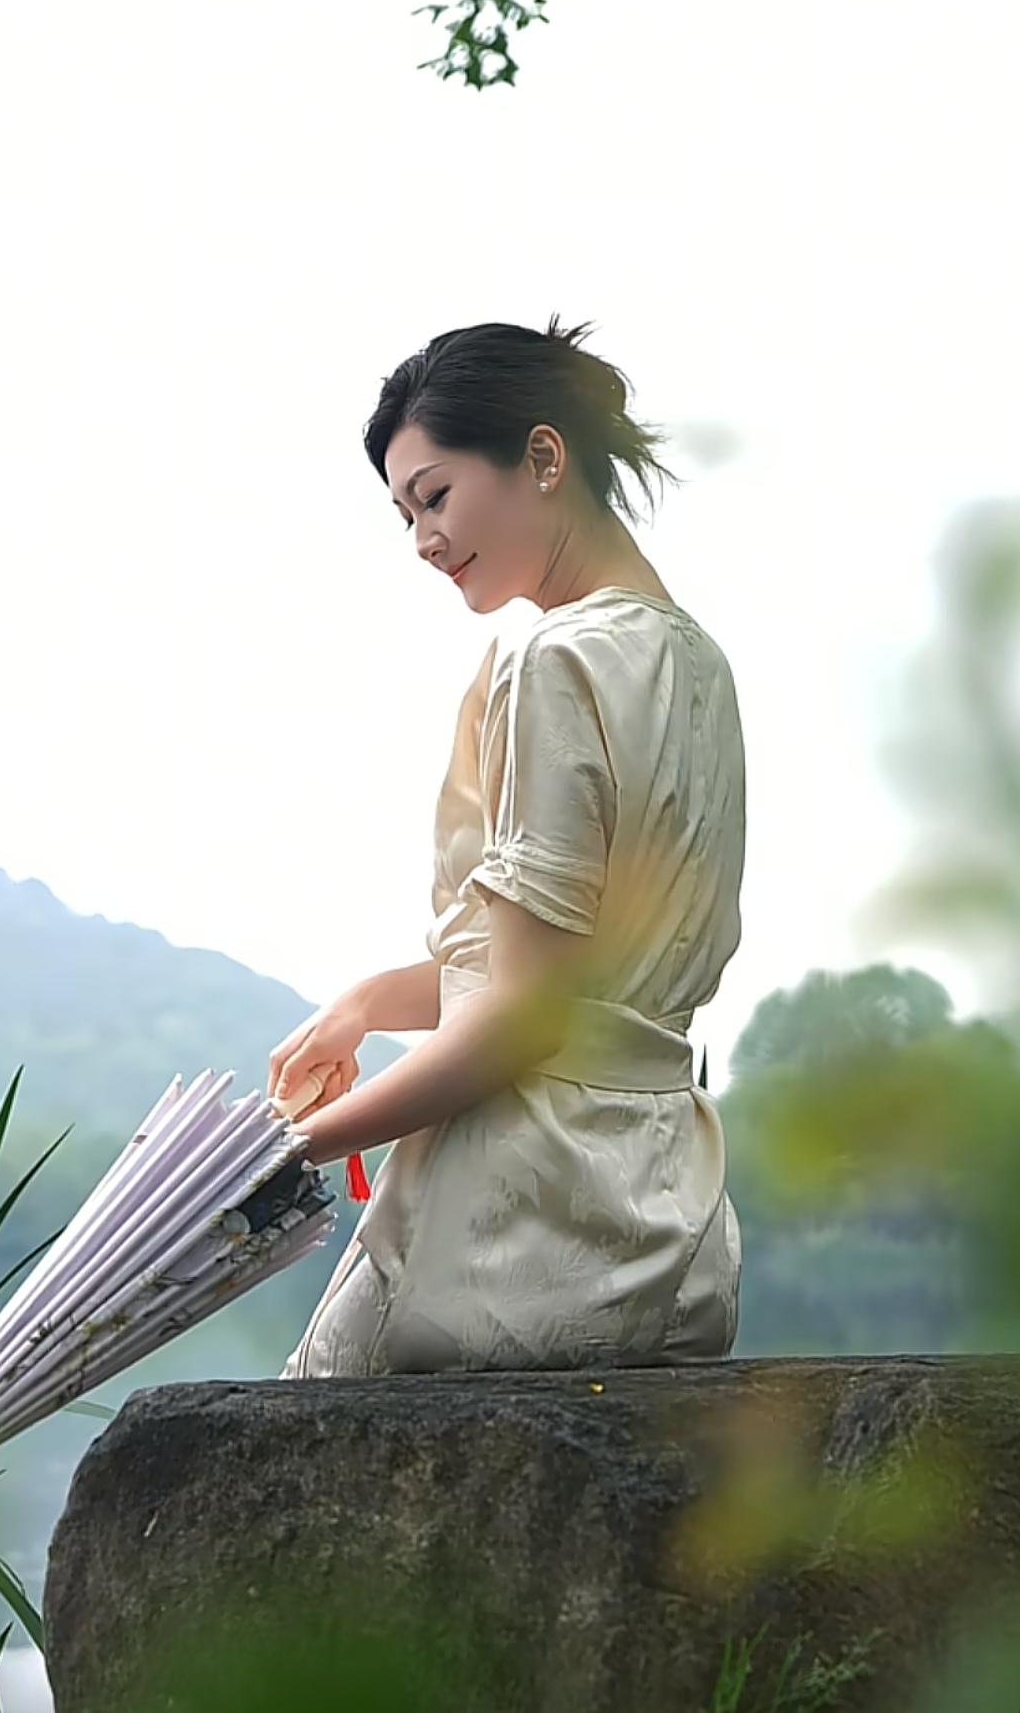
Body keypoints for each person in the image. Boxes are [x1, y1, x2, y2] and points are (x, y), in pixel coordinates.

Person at [269, 314, 745, 1376]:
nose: (423, 540)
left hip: (510, 1224)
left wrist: (291, 1148)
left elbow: (523, 1019)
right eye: (405, 515)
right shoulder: (699, 665)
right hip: (668, 1223)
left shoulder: (551, 662)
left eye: (435, 495)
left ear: (542, 456)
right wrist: (365, 1003)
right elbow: (576, 978)